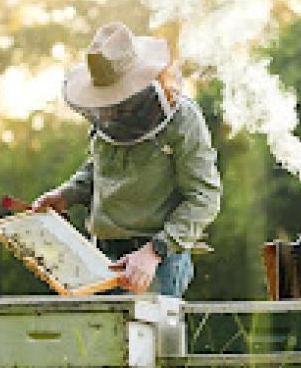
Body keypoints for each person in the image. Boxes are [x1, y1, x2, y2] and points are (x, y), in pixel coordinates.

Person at [31, 22, 221, 297]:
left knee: (146, 326)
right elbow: (100, 167)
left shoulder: (183, 120)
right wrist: (66, 195)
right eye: (106, 101)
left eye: (119, 99)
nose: (112, 111)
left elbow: (204, 197)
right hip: (99, 254)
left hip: (157, 258)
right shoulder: (105, 117)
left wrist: (155, 251)